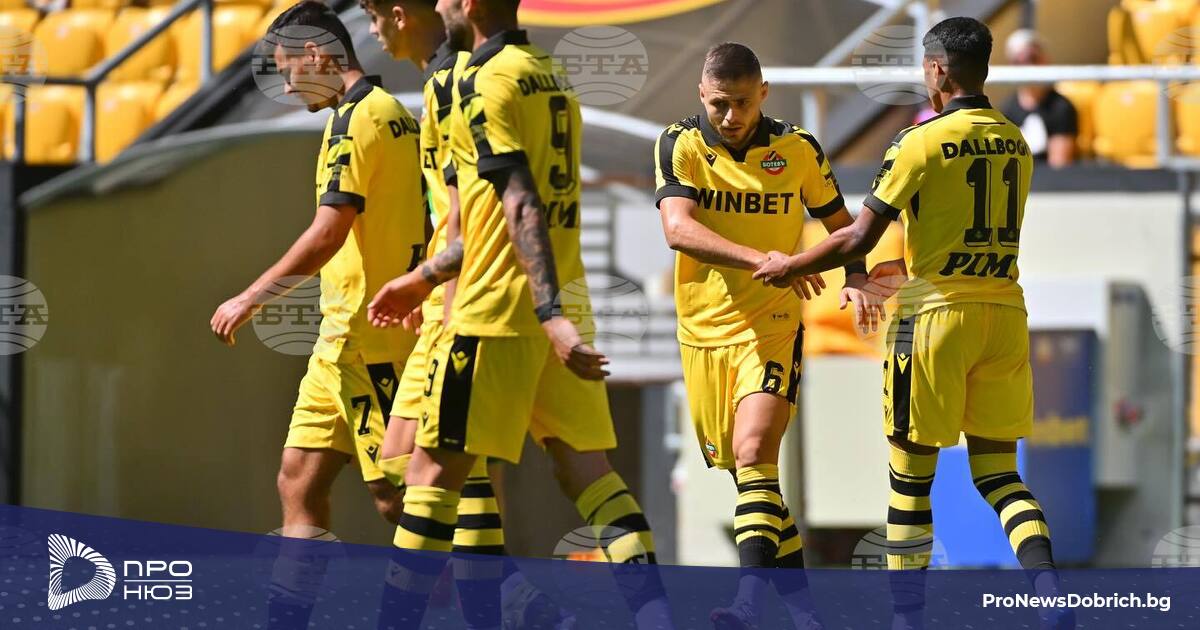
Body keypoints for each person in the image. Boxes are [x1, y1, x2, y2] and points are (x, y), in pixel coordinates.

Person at [753, 16, 1073, 630]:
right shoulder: (1015, 140)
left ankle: (907, 619)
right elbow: (963, 229)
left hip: (933, 319)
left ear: (937, 69)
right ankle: (1049, 590)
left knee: (910, 481)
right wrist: (903, 265)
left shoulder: (919, 142)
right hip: (1003, 311)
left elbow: (858, 235)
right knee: (1001, 475)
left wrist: (791, 264)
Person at [367, 0, 674, 628]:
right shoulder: (551, 74)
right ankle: (655, 618)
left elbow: (512, 203)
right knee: (587, 471)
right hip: (559, 293)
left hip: (496, 305)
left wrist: (438, 285)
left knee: (426, 474)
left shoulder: (476, 82)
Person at [209, 1, 425, 625]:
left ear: (316, 55)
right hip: (339, 340)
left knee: (403, 497)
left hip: (371, 339)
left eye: (288, 71)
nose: (286, 86)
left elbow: (329, 232)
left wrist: (250, 297)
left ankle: (517, 603)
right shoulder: (380, 114)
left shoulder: (362, 119)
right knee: (298, 479)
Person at [359, 1, 573, 627]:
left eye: (374, 14)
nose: (372, 29)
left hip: (472, 300)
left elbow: (476, 210)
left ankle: (489, 604)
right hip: (454, 295)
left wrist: (436, 286)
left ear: (401, 14)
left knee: (434, 468)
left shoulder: (461, 81)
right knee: (402, 466)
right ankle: (510, 598)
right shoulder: (446, 81)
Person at [654, 41, 879, 630]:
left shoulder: (798, 148)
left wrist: (856, 275)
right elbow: (678, 230)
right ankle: (805, 615)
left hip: (773, 325)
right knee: (754, 483)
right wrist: (767, 259)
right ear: (701, 95)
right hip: (703, 332)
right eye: (720, 104)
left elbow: (843, 226)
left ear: (764, 94)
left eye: (744, 103)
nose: (732, 116)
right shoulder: (680, 143)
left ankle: (748, 604)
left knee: (755, 453)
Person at [999, 29, 1077, 168]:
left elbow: (1059, 166)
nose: (1026, 66)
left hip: (1047, 180)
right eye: (1017, 62)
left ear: (1045, 59)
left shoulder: (1061, 107)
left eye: (1032, 58)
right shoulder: (1006, 111)